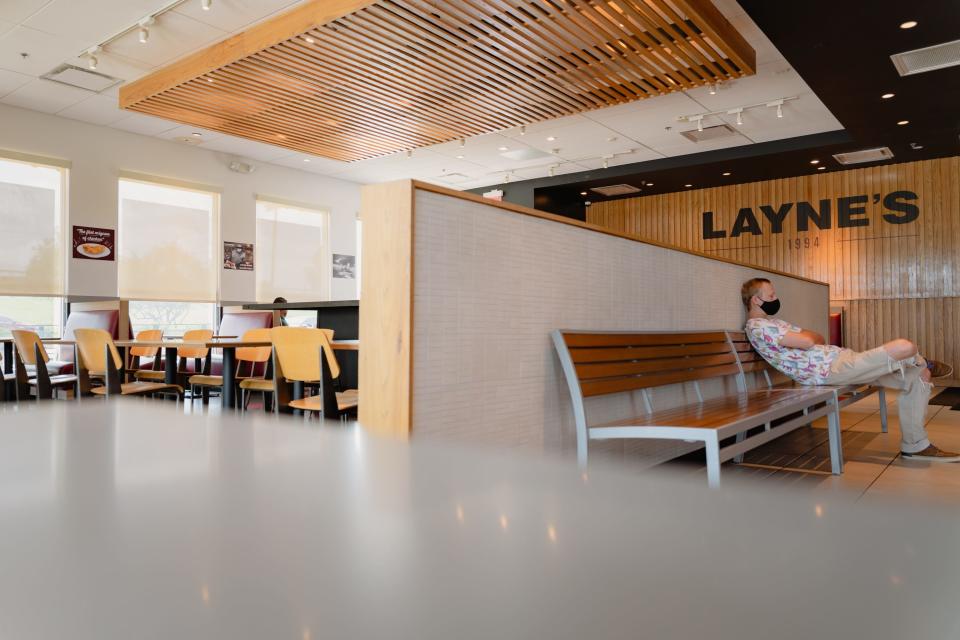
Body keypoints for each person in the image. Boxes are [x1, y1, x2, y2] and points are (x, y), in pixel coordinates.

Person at [741, 277, 959, 462]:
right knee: (906, 347)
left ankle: (915, 446)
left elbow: (817, 337)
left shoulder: (776, 323)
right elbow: (809, 341)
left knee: (919, 376)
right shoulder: (758, 327)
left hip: (841, 358)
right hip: (828, 370)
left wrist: (806, 338)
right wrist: (806, 339)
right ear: (756, 300)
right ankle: (920, 360)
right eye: (770, 296)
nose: (775, 299)